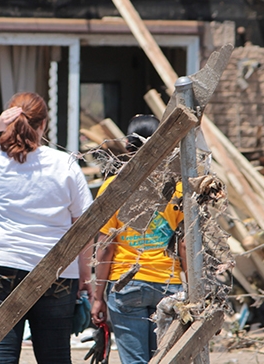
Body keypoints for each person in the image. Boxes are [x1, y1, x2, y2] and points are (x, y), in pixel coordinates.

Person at [0, 92, 94, 364]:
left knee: (0, 354)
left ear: (8, 120)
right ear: (44, 126)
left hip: (1, 266)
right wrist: (84, 274)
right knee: (56, 355)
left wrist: (0, 122)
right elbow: (84, 225)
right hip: (57, 271)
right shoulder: (65, 164)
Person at [90, 114, 186, 364]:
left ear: (128, 147)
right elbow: (185, 243)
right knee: (165, 359)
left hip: (126, 285)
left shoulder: (113, 186)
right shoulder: (177, 188)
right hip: (169, 284)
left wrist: (98, 297)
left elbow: (105, 247)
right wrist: (191, 287)